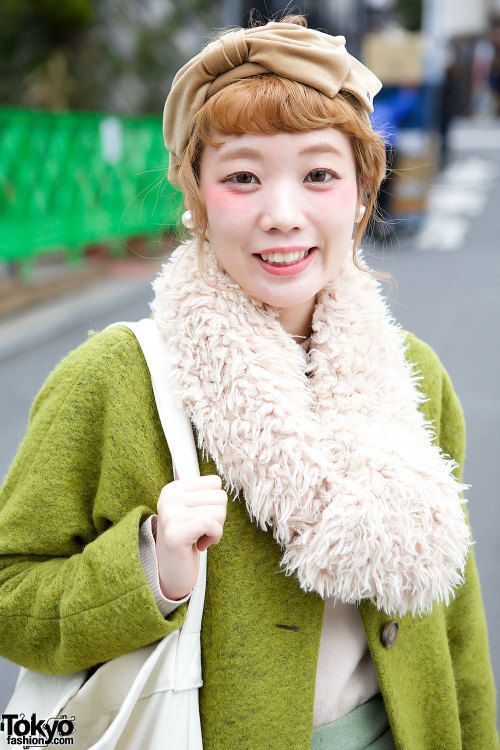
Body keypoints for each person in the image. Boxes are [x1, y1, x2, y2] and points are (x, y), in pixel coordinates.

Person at [0, 14, 498, 750]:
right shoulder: (115, 379)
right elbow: (12, 594)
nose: (282, 214)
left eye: (320, 174)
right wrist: (149, 568)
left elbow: (455, 629)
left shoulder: (413, 373)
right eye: (242, 176)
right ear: (195, 192)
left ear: (363, 191)